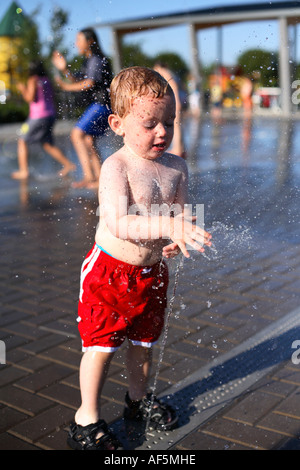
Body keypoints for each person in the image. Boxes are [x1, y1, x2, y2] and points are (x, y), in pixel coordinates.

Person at [67, 66, 212, 450]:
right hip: (109, 273)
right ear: (117, 124)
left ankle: (136, 400)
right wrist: (169, 223)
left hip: (151, 273)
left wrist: (178, 237)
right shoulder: (117, 167)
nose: (162, 131)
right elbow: (118, 222)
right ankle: (86, 418)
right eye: (149, 124)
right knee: (100, 348)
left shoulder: (177, 167)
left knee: (144, 343)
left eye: (169, 122)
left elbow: (177, 216)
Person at [52, 28, 112, 189]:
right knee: (88, 140)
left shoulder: (96, 60)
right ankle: (98, 177)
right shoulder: (88, 60)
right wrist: (64, 69)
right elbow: (78, 78)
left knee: (76, 134)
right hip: (100, 105)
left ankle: (89, 176)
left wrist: (66, 87)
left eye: (79, 40)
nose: (76, 43)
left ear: (90, 41)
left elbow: (89, 83)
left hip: (102, 105)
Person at [11, 61, 75, 180]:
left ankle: (24, 171)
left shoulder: (33, 80)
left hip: (37, 116)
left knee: (22, 140)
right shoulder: (47, 80)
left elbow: (30, 98)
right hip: (50, 115)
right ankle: (68, 165)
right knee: (47, 144)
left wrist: (22, 89)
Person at [154, 61, 186, 158]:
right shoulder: (171, 72)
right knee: (178, 124)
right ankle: (182, 148)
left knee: (175, 125)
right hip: (180, 97)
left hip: (176, 99)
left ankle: (178, 149)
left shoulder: (163, 72)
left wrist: (176, 102)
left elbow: (173, 85)